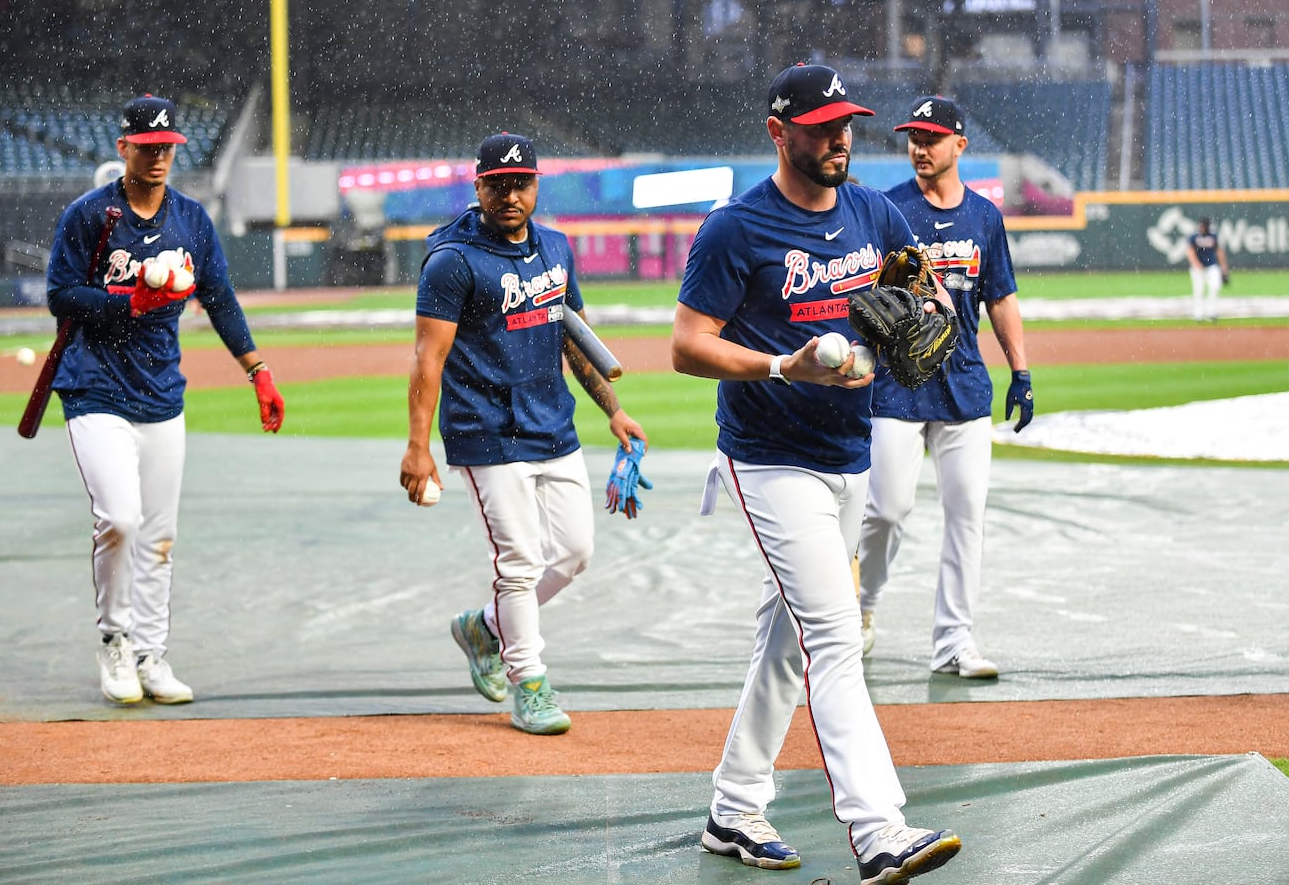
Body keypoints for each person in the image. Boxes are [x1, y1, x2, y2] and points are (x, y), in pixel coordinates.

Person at [672, 63, 962, 883]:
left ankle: (732, 808)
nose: (841, 138)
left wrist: (926, 308)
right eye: (821, 125)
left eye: (847, 123)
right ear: (778, 132)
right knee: (834, 631)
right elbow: (687, 345)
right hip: (769, 459)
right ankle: (879, 831)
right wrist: (779, 366)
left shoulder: (873, 210)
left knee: (785, 640)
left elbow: (924, 288)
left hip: (849, 453)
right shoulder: (737, 228)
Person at [400, 132, 647, 736]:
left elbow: (576, 338)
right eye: (498, 183)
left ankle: (484, 627)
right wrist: (417, 446)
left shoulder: (555, 249)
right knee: (519, 562)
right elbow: (427, 359)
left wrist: (613, 410)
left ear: (536, 185)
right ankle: (529, 681)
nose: (511, 194)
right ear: (478, 185)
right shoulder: (452, 260)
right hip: (485, 431)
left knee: (574, 554)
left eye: (522, 183)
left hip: (552, 425)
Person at [46, 94, 285, 706]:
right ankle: (114, 641)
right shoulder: (88, 216)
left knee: (159, 536)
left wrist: (256, 369)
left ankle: (153, 653)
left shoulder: (191, 220)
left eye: (167, 148)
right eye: (146, 147)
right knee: (120, 520)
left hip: (161, 394)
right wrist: (129, 306)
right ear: (124, 148)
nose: (158, 157)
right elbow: (61, 296)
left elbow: (221, 298)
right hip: (94, 388)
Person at [856, 96, 1031, 678]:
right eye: (913, 136)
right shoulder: (887, 212)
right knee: (886, 509)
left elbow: (1001, 297)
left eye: (931, 137)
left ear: (960, 144)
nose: (919, 146)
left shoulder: (984, 217)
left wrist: (1021, 371)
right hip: (897, 385)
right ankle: (862, 604)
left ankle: (954, 640)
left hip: (963, 386)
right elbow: (860, 297)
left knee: (967, 514)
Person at [1186, 216, 1229, 322]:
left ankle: (1212, 312)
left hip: (1212, 266)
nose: (1203, 227)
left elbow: (1219, 252)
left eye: (1205, 225)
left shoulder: (1213, 236)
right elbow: (1190, 252)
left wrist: (1224, 267)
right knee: (1199, 291)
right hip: (1198, 268)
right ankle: (1198, 314)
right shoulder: (1194, 237)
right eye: (1202, 225)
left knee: (1214, 287)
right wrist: (1196, 263)